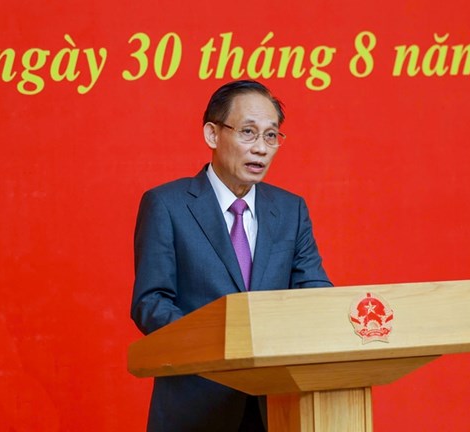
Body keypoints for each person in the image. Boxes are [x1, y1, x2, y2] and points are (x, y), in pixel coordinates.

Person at [131, 80, 332, 432]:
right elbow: (151, 303)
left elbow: (314, 294)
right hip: (197, 404)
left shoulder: (290, 210)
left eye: (271, 136)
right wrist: (221, 347)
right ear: (212, 134)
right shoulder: (167, 205)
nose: (261, 148)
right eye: (248, 132)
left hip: (275, 404)